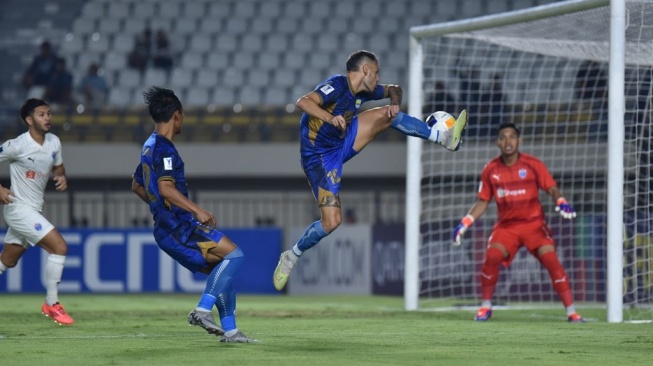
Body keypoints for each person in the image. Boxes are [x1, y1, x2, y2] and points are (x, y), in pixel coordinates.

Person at [272, 50, 468, 291]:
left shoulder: (366, 90)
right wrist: (329, 118)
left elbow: (394, 88)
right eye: (376, 72)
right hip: (319, 157)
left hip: (344, 139)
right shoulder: (336, 85)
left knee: (387, 115)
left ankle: (442, 137)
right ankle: (291, 256)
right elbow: (303, 101)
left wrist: (395, 103)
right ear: (365, 70)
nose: (377, 78)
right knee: (332, 222)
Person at [131, 87, 255, 343]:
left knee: (221, 272)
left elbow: (137, 186)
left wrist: (158, 207)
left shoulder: (148, 146)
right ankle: (201, 310)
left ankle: (230, 332)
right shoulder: (164, 148)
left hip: (168, 227)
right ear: (177, 115)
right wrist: (196, 210)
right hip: (179, 227)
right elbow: (166, 188)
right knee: (235, 255)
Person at [452, 122, 584, 323]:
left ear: (519, 140)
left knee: (552, 261)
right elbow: (483, 201)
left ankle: (572, 312)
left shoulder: (533, 164)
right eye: (503, 137)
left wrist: (561, 200)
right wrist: (464, 223)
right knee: (492, 256)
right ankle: (485, 307)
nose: (508, 141)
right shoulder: (491, 170)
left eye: (512, 137)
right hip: (507, 228)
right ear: (497, 143)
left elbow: (552, 188)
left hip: (534, 226)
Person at [0, 98, 73, 325]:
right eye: (42, 114)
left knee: (7, 261)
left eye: (49, 113)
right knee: (59, 247)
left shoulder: (54, 142)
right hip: (17, 208)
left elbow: (58, 166)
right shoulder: (17, 145)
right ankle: (51, 303)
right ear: (29, 120)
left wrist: (60, 177)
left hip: (33, 209)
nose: (47, 118)